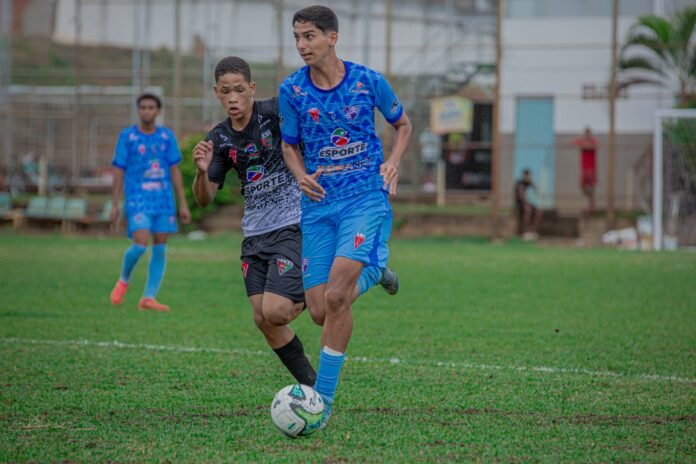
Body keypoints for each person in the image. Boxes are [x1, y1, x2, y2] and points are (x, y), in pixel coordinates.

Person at [190, 56, 397, 386]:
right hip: (255, 235)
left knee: (278, 310)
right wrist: (201, 173)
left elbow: (314, 124)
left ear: (251, 89)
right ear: (216, 92)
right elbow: (205, 197)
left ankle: (368, 271)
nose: (233, 98)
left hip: (294, 224)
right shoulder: (220, 140)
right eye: (225, 91)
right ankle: (311, 388)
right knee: (264, 320)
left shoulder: (276, 110)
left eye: (239, 90)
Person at [279, 5, 412, 429]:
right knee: (320, 310)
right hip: (318, 206)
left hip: (364, 200)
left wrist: (392, 162)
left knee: (338, 297)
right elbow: (289, 146)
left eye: (310, 36)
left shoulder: (368, 81)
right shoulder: (291, 91)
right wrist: (300, 176)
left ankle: (324, 404)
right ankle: (376, 271)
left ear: (332, 37)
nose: (302, 45)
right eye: (297, 37)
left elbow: (403, 125)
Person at [109, 93, 191, 311]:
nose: (147, 111)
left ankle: (148, 297)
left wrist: (182, 203)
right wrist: (115, 204)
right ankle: (124, 279)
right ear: (138, 111)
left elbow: (175, 170)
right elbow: (118, 170)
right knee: (140, 243)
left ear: (158, 111)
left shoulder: (166, 137)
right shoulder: (127, 137)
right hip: (138, 198)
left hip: (163, 199)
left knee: (160, 246)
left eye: (151, 107)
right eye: (143, 107)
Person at [572, 127, 598, 213]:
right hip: (584, 169)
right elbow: (572, 143)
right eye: (586, 134)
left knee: (591, 187)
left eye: (588, 134)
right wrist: (582, 142)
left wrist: (584, 145)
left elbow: (594, 146)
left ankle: (591, 206)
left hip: (591, 169)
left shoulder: (593, 141)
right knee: (582, 186)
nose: (587, 135)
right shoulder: (582, 141)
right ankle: (590, 202)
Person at [514, 168, 542, 240]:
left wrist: (531, 181)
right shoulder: (520, 183)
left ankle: (532, 231)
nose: (526, 177)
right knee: (528, 211)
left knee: (539, 212)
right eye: (525, 175)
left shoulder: (528, 182)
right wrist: (526, 204)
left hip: (527, 203)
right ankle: (525, 232)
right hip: (520, 203)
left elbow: (536, 188)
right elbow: (520, 196)